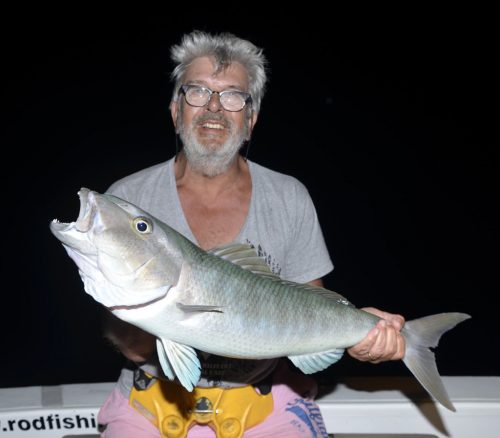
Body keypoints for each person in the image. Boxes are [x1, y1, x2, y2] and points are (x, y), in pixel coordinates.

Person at [97, 30, 406, 438]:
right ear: (175, 110)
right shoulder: (127, 200)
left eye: (232, 97)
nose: (213, 108)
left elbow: (307, 309)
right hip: (152, 398)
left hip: (263, 398)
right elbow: (130, 343)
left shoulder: (289, 197)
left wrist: (360, 332)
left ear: (250, 121)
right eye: (197, 92)